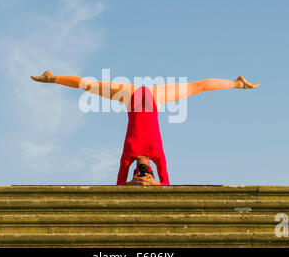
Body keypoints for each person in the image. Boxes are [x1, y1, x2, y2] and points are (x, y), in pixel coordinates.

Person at [31, 71, 259, 186]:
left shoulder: (127, 156)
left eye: (141, 172)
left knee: (89, 86)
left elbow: (118, 185)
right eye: (148, 172)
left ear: (135, 170)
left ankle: (53, 78)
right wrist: (157, 184)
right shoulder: (158, 156)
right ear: (151, 170)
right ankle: (238, 83)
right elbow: (168, 184)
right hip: (155, 98)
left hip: (130, 96)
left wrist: (131, 184)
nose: (145, 171)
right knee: (197, 88)